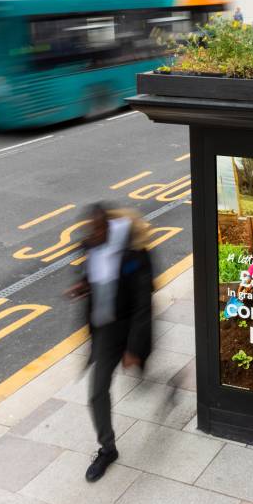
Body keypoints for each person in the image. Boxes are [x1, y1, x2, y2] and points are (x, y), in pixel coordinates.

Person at [67, 205, 154, 483]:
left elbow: (144, 304)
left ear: (106, 228)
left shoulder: (134, 254)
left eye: (94, 231)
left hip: (129, 328)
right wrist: (83, 286)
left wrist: (134, 348)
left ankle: (162, 383)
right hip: (105, 332)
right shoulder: (91, 247)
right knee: (97, 392)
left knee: (142, 379)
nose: (89, 237)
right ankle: (108, 448)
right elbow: (92, 274)